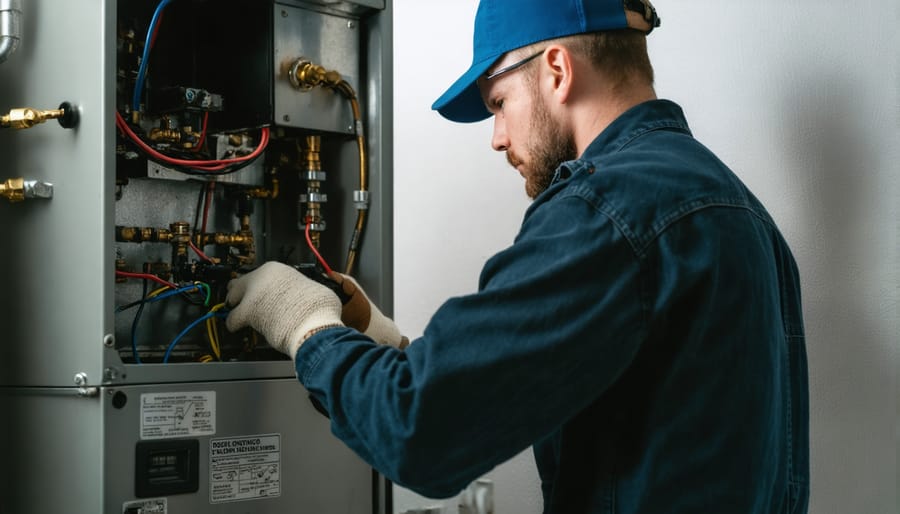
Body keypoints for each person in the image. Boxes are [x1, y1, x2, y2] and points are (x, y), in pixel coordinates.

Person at [225, 0, 810, 512]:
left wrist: (305, 324)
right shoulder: (740, 211)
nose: (498, 136)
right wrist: (385, 343)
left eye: (499, 101)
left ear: (556, 69)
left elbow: (419, 432)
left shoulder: (606, 208)